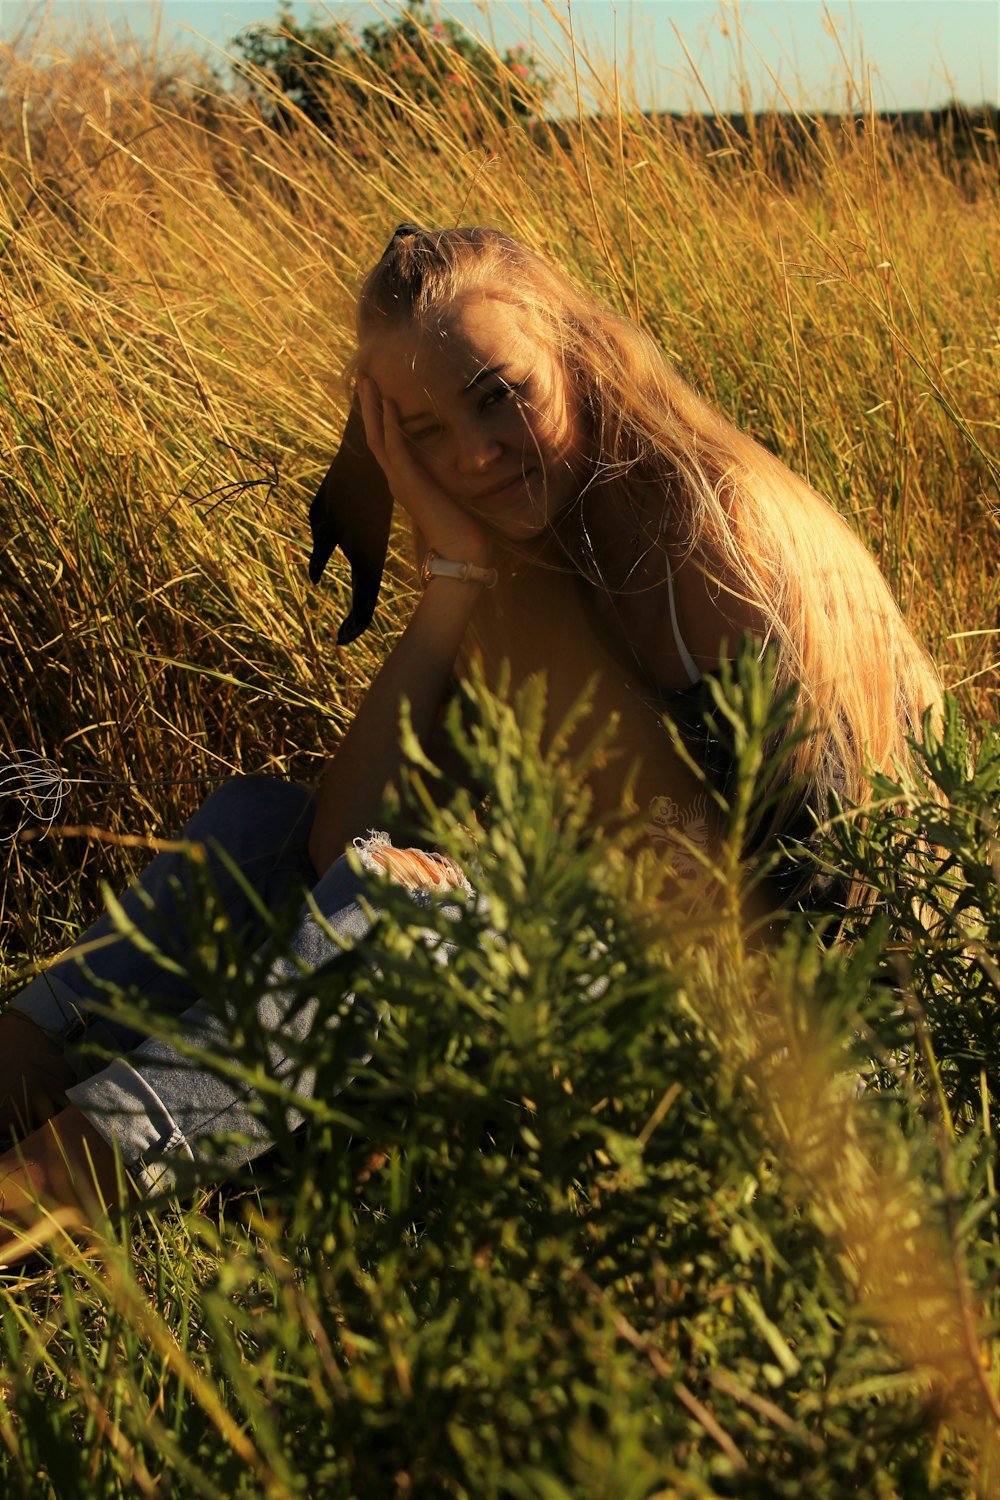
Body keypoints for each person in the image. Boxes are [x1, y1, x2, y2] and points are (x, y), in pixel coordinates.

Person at [0, 224, 940, 1262]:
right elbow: (333, 839)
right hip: (624, 954)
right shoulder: (536, 553)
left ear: (577, 355)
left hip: (821, 1028)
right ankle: (32, 1052)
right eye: (423, 430)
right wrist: (453, 567)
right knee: (255, 821)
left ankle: (42, 1193)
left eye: (500, 396)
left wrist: (478, 894)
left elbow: (806, 896)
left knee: (394, 917)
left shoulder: (714, 536)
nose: (473, 455)